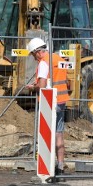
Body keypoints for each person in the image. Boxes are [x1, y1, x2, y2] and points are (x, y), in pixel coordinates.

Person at [26, 38, 70, 176]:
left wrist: (33, 88)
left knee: (47, 134)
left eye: (33, 55)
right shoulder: (58, 58)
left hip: (49, 103)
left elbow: (43, 85)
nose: (34, 58)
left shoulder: (44, 63)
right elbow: (67, 81)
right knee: (58, 134)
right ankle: (60, 166)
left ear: (38, 52)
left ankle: (47, 169)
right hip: (61, 101)